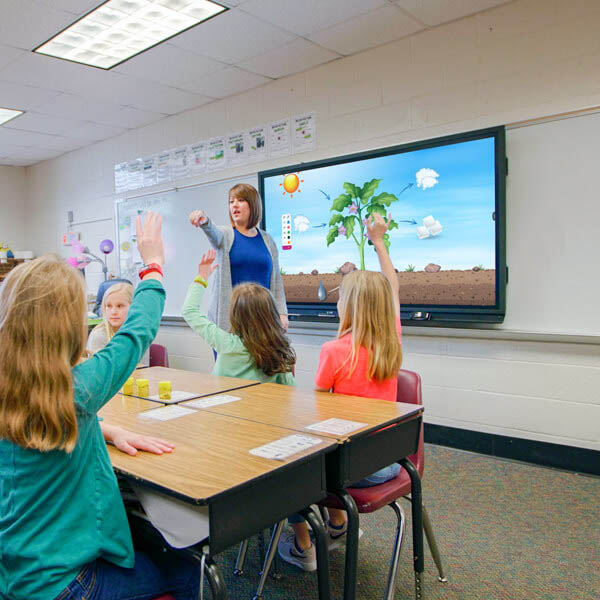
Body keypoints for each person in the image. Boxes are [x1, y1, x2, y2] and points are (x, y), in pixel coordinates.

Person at [0, 212, 202, 600]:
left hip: (14, 576)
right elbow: (135, 332)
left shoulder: (34, 392)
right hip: (67, 585)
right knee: (189, 572)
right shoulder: (78, 389)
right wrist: (154, 266)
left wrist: (106, 427)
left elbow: (47, 418)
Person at [278, 213, 403, 572]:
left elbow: (317, 412)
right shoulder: (391, 340)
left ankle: (305, 548)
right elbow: (392, 288)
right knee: (331, 450)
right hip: (388, 459)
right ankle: (338, 525)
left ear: (347, 307)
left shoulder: (334, 351)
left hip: (354, 465)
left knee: (290, 467)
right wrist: (378, 241)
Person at [182, 249, 295, 384]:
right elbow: (290, 391)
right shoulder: (277, 349)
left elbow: (189, 310)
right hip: (261, 405)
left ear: (235, 316)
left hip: (222, 404)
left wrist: (202, 278)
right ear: (272, 314)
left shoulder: (225, 343)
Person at [189, 183, 289, 335]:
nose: (234, 205)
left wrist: (282, 313)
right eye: (231, 201)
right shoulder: (225, 235)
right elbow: (213, 232)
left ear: (253, 205)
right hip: (231, 324)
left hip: (262, 322)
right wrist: (205, 221)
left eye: (240, 200)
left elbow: (276, 281)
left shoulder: (268, 240)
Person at [88, 282, 150, 367]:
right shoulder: (99, 336)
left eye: (120, 306)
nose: (113, 312)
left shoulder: (140, 333)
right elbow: (98, 372)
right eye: (109, 306)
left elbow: (143, 368)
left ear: (133, 307)